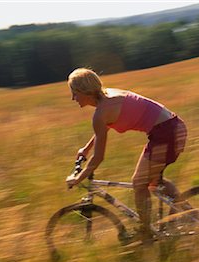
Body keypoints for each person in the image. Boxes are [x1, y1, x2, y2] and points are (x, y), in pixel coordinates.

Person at [65, 68, 187, 243]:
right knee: (152, 183)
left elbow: (99, 158)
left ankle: (146, 233)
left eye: (74, 94)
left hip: (166, 134)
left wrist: (78, 178)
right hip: (172, 128)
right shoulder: (109, 97)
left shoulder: (100, 113)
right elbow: (106, 127)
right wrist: (86, 148)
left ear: (85, 92)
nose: (73, 98)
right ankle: (188, 210)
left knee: (139, 183)